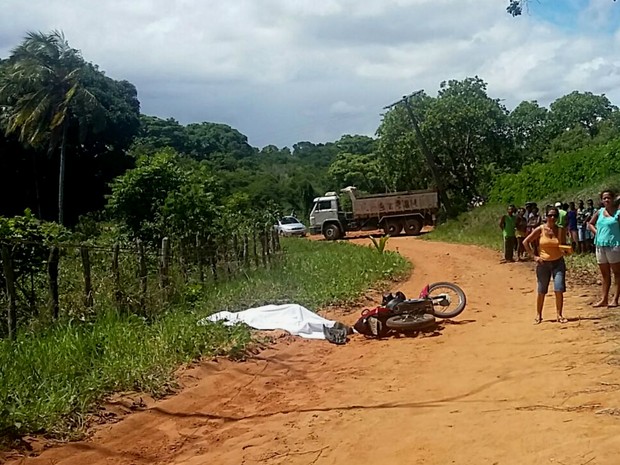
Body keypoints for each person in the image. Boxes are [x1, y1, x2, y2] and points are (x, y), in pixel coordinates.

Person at [523, 206, 568, 324]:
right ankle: (538, 315)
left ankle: (559, 314)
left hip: (558, 262)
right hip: (543, 263)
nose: (552, 218)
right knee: (542, 290)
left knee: (559, 288)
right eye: (550, 215)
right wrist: (534, 256)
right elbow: (526, 242)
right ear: (546, 216)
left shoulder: (560, 230)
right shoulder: (540, 229)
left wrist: (566, 250)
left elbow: (563, 244)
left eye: (554, 215)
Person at [588, 190, 620, 308]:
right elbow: (590, 223)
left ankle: (615, 299)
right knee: (605, 274)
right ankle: (604, 299)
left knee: (617, 273)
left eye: (609, 198)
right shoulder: (600, 212)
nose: (607, 200)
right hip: (600, 245)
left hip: (614, 245)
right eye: (604, 198)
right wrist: (597, 233)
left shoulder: (618, 213)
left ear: (613, 199)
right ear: (602, 200)